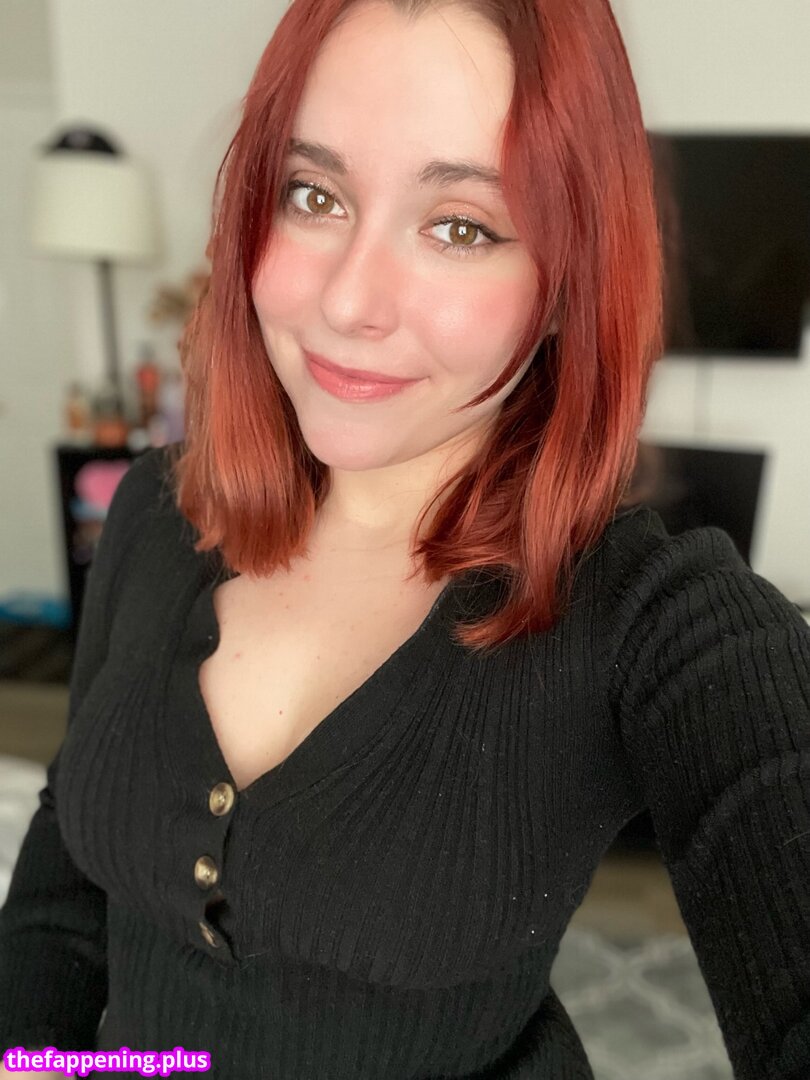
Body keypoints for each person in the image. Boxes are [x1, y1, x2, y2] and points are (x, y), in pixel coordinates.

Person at [1, 1, 809, 1077]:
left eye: (462, 226)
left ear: (566, 285)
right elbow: (64, 884)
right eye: (314, 195)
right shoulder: (157, 506)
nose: (348, 302)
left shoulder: (645, 622)